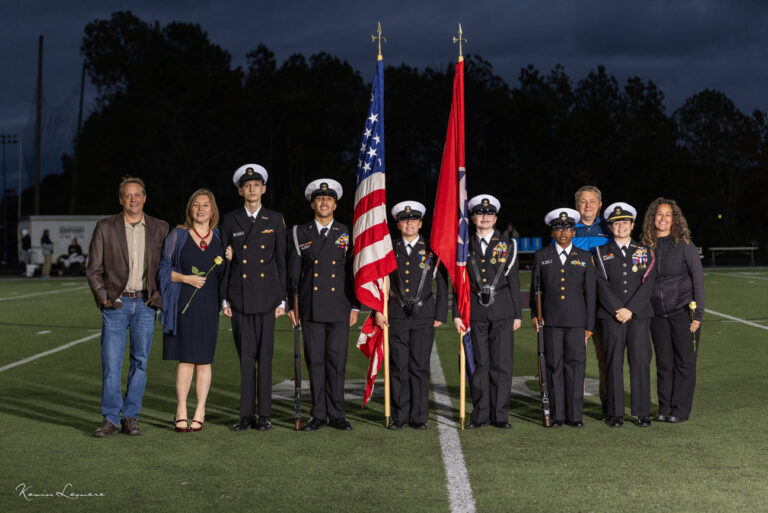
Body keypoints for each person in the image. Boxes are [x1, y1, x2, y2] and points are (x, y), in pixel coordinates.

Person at [86, 177, 169, 437]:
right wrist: (105, 299)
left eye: (137, 195)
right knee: (111, 364)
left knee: (140, 362)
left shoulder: (160, 227)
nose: (133, 199)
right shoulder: (105, 227)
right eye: (127, 195)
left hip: (145, 304)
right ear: (121, 199)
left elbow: (168, 266)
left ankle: (130, 416)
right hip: (117, 304)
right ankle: (110, 418)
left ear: (145, 197)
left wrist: (158, 298)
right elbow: (93, 269)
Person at [219, 164, 287, 432]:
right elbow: (226, 264)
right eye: (247, 185)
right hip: (240, 299)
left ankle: (265, 415)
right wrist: (224, 299)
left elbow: (281, 260)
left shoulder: (275, 218)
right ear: (240, 190)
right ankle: (245, 415)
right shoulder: (230, 220)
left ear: (264, 189)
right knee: (246, 358)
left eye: (257, 185)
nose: (252, 188)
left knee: (265, 358)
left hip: (268, 300)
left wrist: (282, 300)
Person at [288, 179, 358, 431]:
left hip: (340, 306)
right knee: (315, 362)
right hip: (310, 308)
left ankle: (337, 414)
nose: (324, 202)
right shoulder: (299, 232)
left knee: (336, 362)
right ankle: (318, 414)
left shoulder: (347, 232)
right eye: (319, 199)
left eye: (328, 199)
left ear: (335, 205)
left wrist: (355, 306)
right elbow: (293, 273)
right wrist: (290, 305)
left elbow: (353, 273)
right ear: (312, 204)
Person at [374, 201, 448, 430]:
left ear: (421, 223)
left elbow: (443, 284)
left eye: (414, 220)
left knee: (420, 367)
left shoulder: (432, 249)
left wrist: (441, 313)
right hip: (395, 314)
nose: (409, 223)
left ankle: (419, 416)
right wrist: (377, 310)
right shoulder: (389, 250)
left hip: (424, 314)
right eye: (405, 220)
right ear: (398, 224)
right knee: (398, 367)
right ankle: (400, 415)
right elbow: (378, 282)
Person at [453, 195, 522, 429]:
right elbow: (459, 283)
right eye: (480, 214)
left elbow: (513, 281)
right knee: (479, 363)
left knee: (501, 364)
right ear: (472, 217)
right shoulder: (464, 245)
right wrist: (456, 312)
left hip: (502, 310)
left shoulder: (508, 245)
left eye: (489, 214)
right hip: (474, 310)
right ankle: (480, 414)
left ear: (495, 218)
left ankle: (500, 415)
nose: (485, 217)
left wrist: (517, 314)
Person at [158, 189, 224, 433]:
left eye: (205, 205)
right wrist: (186, 279)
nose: (200, 209)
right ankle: (182, 409)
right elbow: (163, 270)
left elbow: (227, 272)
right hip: (184, 303)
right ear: (190, 209)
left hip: (209, 305)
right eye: (196, 205)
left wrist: (230, 256)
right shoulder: (178, 235)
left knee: (204, 361)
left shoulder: (219, 236)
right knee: (186, 360)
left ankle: (200, 410)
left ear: (212, 210)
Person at [530, 207, 595, 428]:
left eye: (568, 228)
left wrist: (590, 324)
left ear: (574, 232)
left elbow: (591, 294)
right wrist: (534, 316)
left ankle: (575, 415)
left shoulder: (585, 257)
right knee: (554, 367)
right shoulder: (542, 256)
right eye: (559, 228)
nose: (564, 232)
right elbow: (535, 291)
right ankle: (557, 415)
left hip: (578, 323)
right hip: (551, 322)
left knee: (576, 367)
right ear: (552, 232)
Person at [641, 198, 704, 423]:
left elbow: (698, 279)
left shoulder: (685, 245)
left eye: (668, 215)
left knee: (684, 362)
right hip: (657, 315)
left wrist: (698, 315)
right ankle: (665, 407)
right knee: (664, 362)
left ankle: (680, 410)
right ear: (652, 218)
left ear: (674, 219)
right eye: (659, 214)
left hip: (682, 312)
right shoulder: (646, 246)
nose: (663, 219)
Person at [594, 203, 656, 428]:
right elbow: (600, 283)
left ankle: (641, 412)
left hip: (639, 317)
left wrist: (631, 309)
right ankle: (615, 412)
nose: (621, 226)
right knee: (612, 363)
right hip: (612, 317)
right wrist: (617, 309)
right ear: (610, 227)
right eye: (617, 223)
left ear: (632, 225)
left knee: (640, 362)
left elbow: (648, 283)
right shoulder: (600, 252)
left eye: (625, 222)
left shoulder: (645, 251)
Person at [573, 185, 612, 417]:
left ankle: (608, 405)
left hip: (603, 304)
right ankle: (572, 406)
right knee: (574, 357)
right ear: (577, 205)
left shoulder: (610, 230)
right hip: (576, 304)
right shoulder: (567, 229)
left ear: (600, 205)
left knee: (605, 357)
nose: (588, 205)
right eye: (583, 201)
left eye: (592, 201)